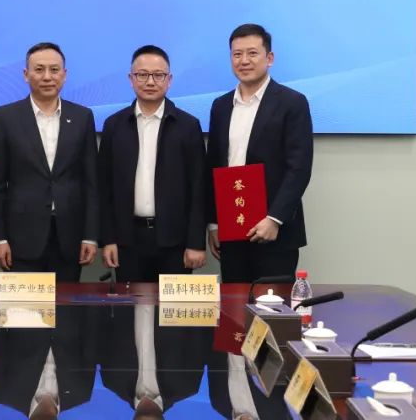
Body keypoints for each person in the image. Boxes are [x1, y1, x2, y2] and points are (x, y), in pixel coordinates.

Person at [207, 23, 314, 283]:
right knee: (234, 302)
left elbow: (299, 167)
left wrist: (275, 218)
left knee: (272, 305)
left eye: (252, 53)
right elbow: (213, 166)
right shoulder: (221, 106)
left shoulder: (292, 102)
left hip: (275, 232)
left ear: (270, 58)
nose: (244, 61)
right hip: (231, 229)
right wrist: (214, 224)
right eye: (237, 54)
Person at [0, 42, 98, 282]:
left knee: (66, 304)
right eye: (39, 69)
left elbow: (90, 182)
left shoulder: (82, 116)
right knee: (25, 306)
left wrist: (90, 236)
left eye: (54, 70)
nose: (47, 77)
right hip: (20, 238)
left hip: (69, 237)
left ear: (64, 75)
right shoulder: (5, 117)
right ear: (26, 74)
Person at [98, 45, 206, 282]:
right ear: (131, 79)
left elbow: (199, 188)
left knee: (172, 306)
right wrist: (108, 239)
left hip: (175, 241)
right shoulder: (114, 126)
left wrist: (196, 242)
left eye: (158, 75)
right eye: (142, 75)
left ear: (169, 80)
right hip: (127, 240)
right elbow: (104, 188)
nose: (150, 82)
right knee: (132, 304)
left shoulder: (188, 126)